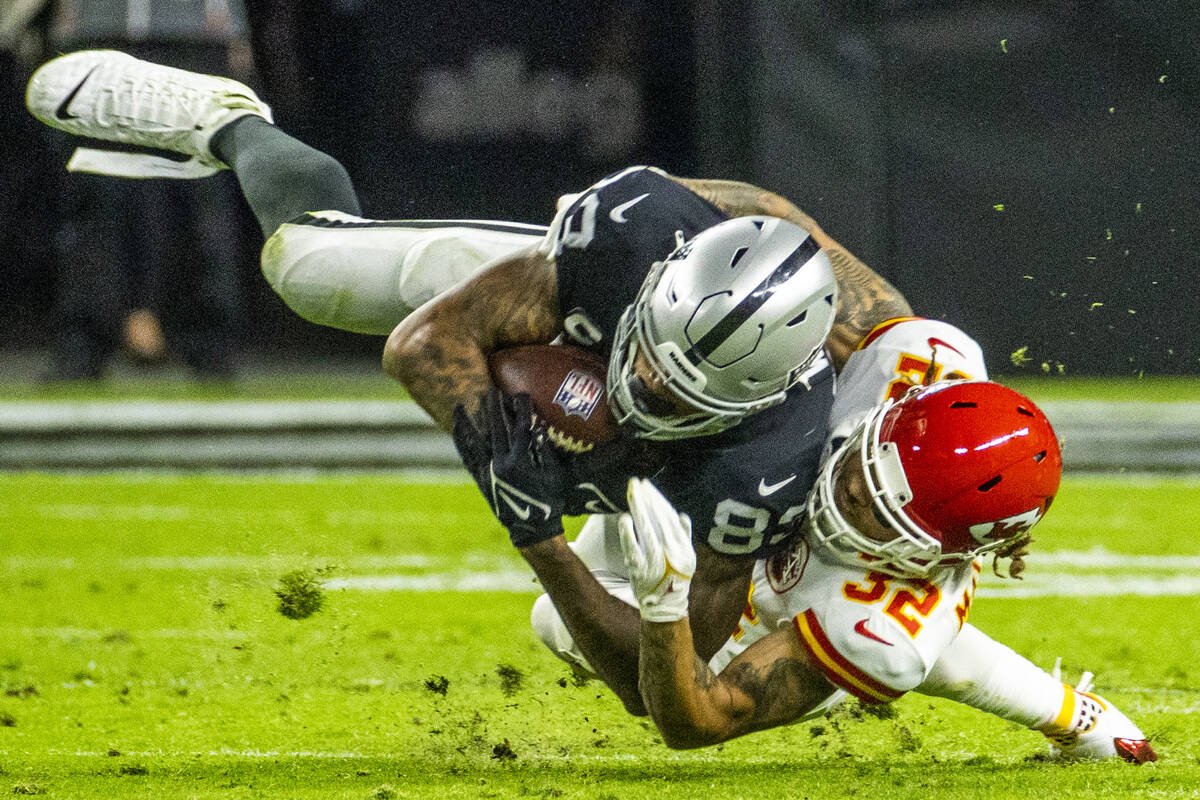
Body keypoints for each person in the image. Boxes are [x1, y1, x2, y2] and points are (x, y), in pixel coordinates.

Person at [25, 49, 911, 712]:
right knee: (304, 267)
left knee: (577, 630)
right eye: (649, 353)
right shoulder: (628, 243)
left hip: (669, 465)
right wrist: (498, 447)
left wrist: (547, 546)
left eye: (680, 386)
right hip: (562, 295)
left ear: (747, 397)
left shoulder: (767, 460)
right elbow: (427, 342)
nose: (644, 381)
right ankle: (225, 121)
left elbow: (659, 696)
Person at [612, 337, 1155, 763]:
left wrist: (664, 607)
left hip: (859, 600)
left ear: (935, 552)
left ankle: (1073, 716)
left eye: (877, 509)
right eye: (862, 466)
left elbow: (700, 721)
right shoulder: (920, 359)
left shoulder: (882, 631)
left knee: (559, 626)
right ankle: (1076, 716)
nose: (845, 494)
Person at [35, 1, 253, 380]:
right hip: (96, 31)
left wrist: (234, 29)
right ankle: (83, 343)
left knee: (200, 194)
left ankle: (209, 344)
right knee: (92, 195)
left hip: (194, 33)